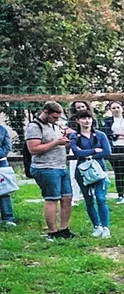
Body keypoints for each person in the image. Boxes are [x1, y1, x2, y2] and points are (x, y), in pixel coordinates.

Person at [26, 100, 75, 239]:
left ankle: (64, 229)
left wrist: (65, 140)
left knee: (67, 197)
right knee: (52, 198)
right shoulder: (34, 127)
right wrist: (57, 143)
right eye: (54, 117)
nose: (57, 120)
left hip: (60, 166)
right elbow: (34, 149)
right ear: (45, 112)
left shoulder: (54, 125)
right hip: (45, 167)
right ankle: (53, 232)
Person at [69, 105, 113, 238]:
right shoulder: (74, 136)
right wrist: (94, 151)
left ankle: (106, 227)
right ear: (77, 121)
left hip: (99, 170)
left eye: (89, 118)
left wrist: (88, 155)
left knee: (101, 198)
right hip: (82, 171)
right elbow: (77, 153)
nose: (86, 121)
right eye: (83, 118)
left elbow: (107, 151)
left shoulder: (101, 135)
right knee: (88, 199)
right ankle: (96, 226)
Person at [104, 101, 124, 204]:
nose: (116, 110)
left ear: (122, 108)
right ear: (110, 110)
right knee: (118, 173)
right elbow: (107, 134)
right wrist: (121, 134)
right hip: (115, 149)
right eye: (113, 108)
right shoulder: (108, 121)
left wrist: (118, 134)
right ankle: (120, 195)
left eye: (118, 107)